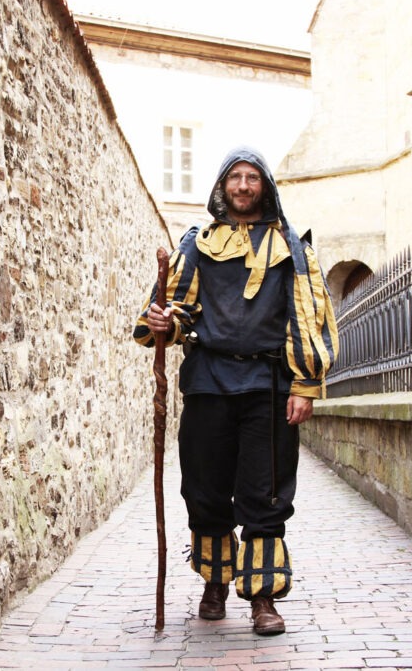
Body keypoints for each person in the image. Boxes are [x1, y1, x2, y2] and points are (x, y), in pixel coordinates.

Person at [133, 146, 338, 635]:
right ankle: (215, 582)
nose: (243, 186)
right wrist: (164, 320)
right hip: (207, 383)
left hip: (268, 386)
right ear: (222, 186)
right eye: (235, 178)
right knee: (204, 489)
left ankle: (263, 596)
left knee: (265, 493)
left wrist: (305, 384)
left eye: (252, 178)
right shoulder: (196, 244)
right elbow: (172, 311)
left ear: (265, 186)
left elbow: (306, 317)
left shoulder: (293, 247)